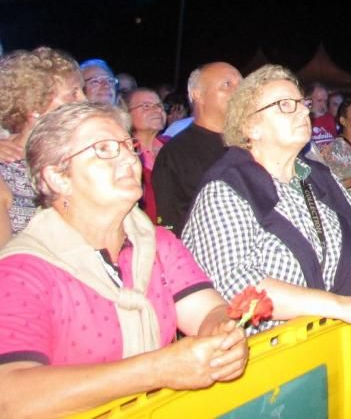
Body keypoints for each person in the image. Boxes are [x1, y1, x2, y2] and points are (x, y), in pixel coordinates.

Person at [0, 102, 247, 417]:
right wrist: (157, 369)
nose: (128, 159)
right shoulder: (21, 272)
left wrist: (222, 335)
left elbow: (208, 311)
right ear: (58, 178)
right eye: (103, 149)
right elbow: (9, 397)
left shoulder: (157, 244)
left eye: (127, 147)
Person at [183, 65, 351, 418]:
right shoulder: (226, 187)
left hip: (330, 361)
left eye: (300, 103)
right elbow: (239, 287)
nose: (302, 110)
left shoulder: (319, 177)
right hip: (268, 381)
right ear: (250, 125)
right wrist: (338, 306)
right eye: (285, 105)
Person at [0, 47, 86, 240]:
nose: (84, 99)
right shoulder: (6, 172)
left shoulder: (83, 157)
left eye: (82, 90)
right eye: (73, 93)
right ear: (35, 107)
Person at [153, 62, 242, 232]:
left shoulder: (253, 143)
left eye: (242, 85)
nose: (239, 92)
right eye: (227, 85)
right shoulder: (176, 154)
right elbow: (170, 224)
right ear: (197, 95)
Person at [126, 87, 168, 223]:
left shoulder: (172, 145)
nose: (157, 110)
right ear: (126, 114)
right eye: (146, 106)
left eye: (159, 105)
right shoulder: (125, 153)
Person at [308, 82, 338, 147]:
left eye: (325, 101)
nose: (323, 105)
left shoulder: (330, 118)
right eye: (319, 100)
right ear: (309, 99)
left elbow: (335, 142)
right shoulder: (304, 119)